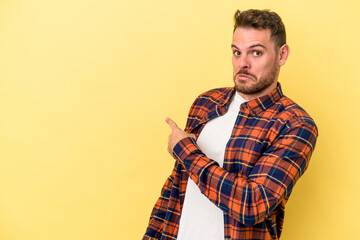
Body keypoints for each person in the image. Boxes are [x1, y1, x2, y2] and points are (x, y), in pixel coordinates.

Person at [143, 9, 318, 240]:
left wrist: (185, 151)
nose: (242, 63)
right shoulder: (206, 102)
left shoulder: (295, 125)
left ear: (281, 55)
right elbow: (174, 190)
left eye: (256, 52)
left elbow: (251, 204)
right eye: (237, 52)